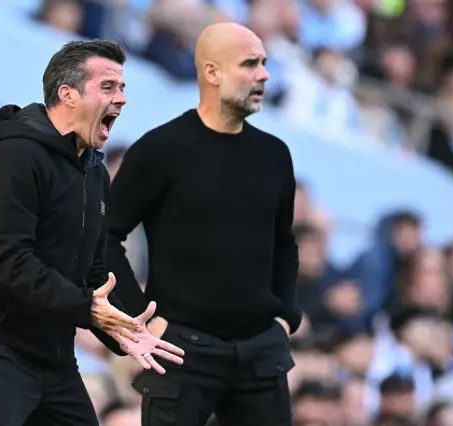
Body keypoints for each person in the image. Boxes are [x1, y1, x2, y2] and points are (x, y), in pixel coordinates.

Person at [0, 40, 184, 426]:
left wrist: (121, 328)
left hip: (55, 358)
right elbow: (8, 261)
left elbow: (90, 273)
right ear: (67, 94)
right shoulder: (14, 157)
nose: (120, 99)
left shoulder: (94, 172)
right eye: (108, 87)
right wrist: (86, 306)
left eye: (122, 89)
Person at [106, 23, 301, 426]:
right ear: (212, 72)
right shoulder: (161, 149)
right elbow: (103, 237)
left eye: (264, 63)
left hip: (260, 351)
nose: (263, 74)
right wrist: (140, 319)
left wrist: (286, 316)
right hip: (179, 349)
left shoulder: (275, 156)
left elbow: (284, 243)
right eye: (250, 64)